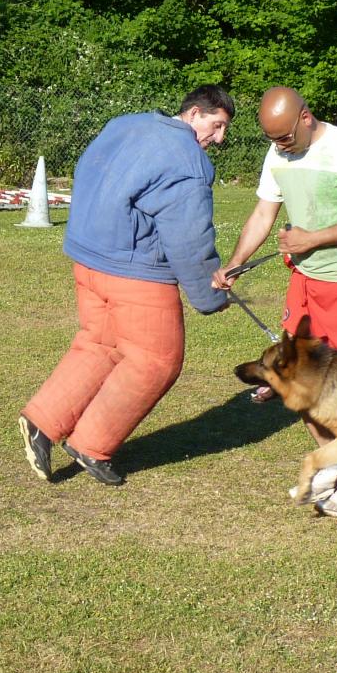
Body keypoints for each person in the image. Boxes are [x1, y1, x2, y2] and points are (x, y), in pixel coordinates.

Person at [19, 85, 234, 486]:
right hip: (135, 271)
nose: (218, 139)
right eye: (217, 126)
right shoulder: (187, 160)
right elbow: (188, 237)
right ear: (193, 114)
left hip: (87, 259)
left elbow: (88, 172)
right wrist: (208, 295)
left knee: (99, 345)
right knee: (156, 360)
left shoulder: (125, 124)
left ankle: (42, 422)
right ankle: (91, 444)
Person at [212, 86, 337, 516]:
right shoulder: (278, 155)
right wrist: (235, 263)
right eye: (273, 140)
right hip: (305, 284)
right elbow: (262, 213)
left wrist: (312, 238)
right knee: (298, 379)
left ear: (305, 117)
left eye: (286, 138)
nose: (281, 148)